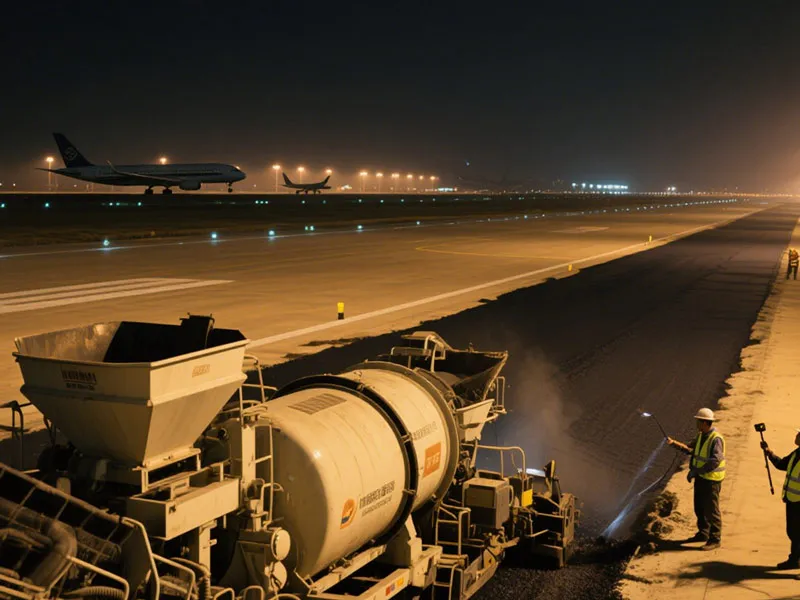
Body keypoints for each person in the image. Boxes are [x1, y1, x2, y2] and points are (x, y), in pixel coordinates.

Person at [667, 407, 726, 550]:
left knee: (712, 510)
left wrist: (696, 471)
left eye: (698, 421)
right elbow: (690, 449)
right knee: (699, 507)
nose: (696, 424)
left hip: (712, 479)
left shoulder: (715, 439)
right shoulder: (701, 435)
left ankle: (715, 539)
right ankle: (703, 533)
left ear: (705, 422)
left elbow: (715, 460)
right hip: (701, 477)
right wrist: (674, 443)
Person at [761, 429, 800, 569]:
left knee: (798, 533)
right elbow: (782, 464)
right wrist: (769, 453)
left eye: (799, 434)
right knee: (793, 532)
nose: (796, 436)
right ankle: (795, 560)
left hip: (798, 503)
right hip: (792, 500)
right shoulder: (796, 453)